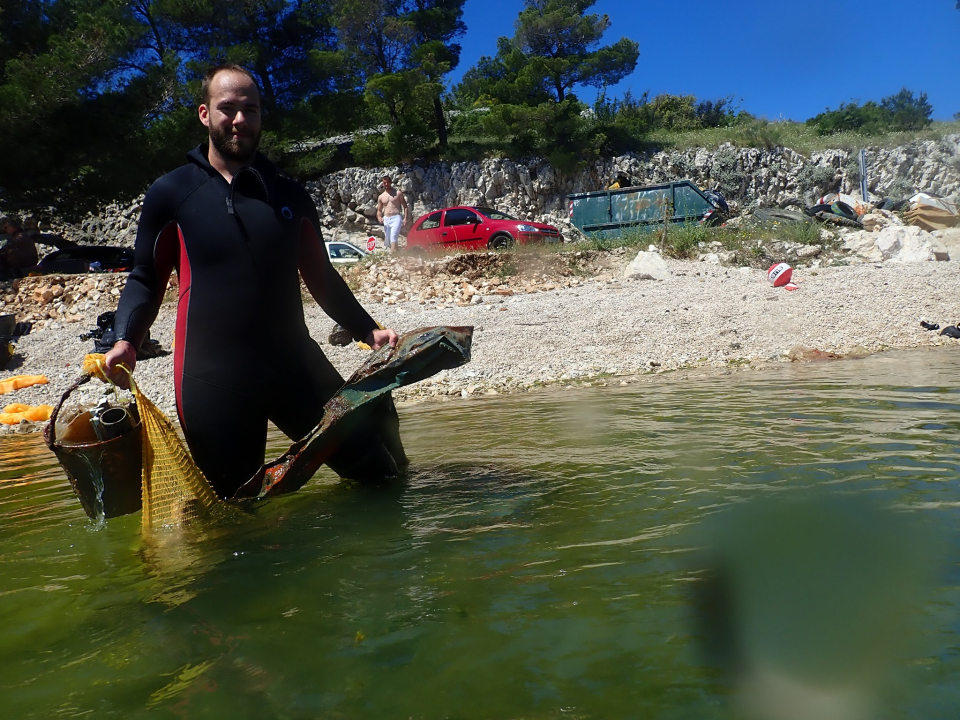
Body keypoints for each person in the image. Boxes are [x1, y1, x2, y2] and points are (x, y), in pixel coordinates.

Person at [104, 64, 398, 499]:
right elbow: (146, 278)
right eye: (228, 109)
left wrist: (368, 329)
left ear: (261, 117)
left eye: (251, 109)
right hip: (213, 379)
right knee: (236, 516)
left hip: (296, 367)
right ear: (205, 114)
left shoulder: (289, 195)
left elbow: (321, 276)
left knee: (378, 473)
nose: (240, 119)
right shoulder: (172, 193)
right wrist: (126, 338)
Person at [376, 175, 408, 253]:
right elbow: (379, 210)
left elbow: (405, 206)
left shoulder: (398, 193)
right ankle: (398, 254)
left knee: (393, 236)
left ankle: (391, 255)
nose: (386, 184)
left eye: (387, 182)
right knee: (390, 238)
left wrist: (405, 218)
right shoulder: (381, 197)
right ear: (382, 184)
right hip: (386, 218)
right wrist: (379, 217)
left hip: (396, 217)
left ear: (390, 182)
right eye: (384, 183)